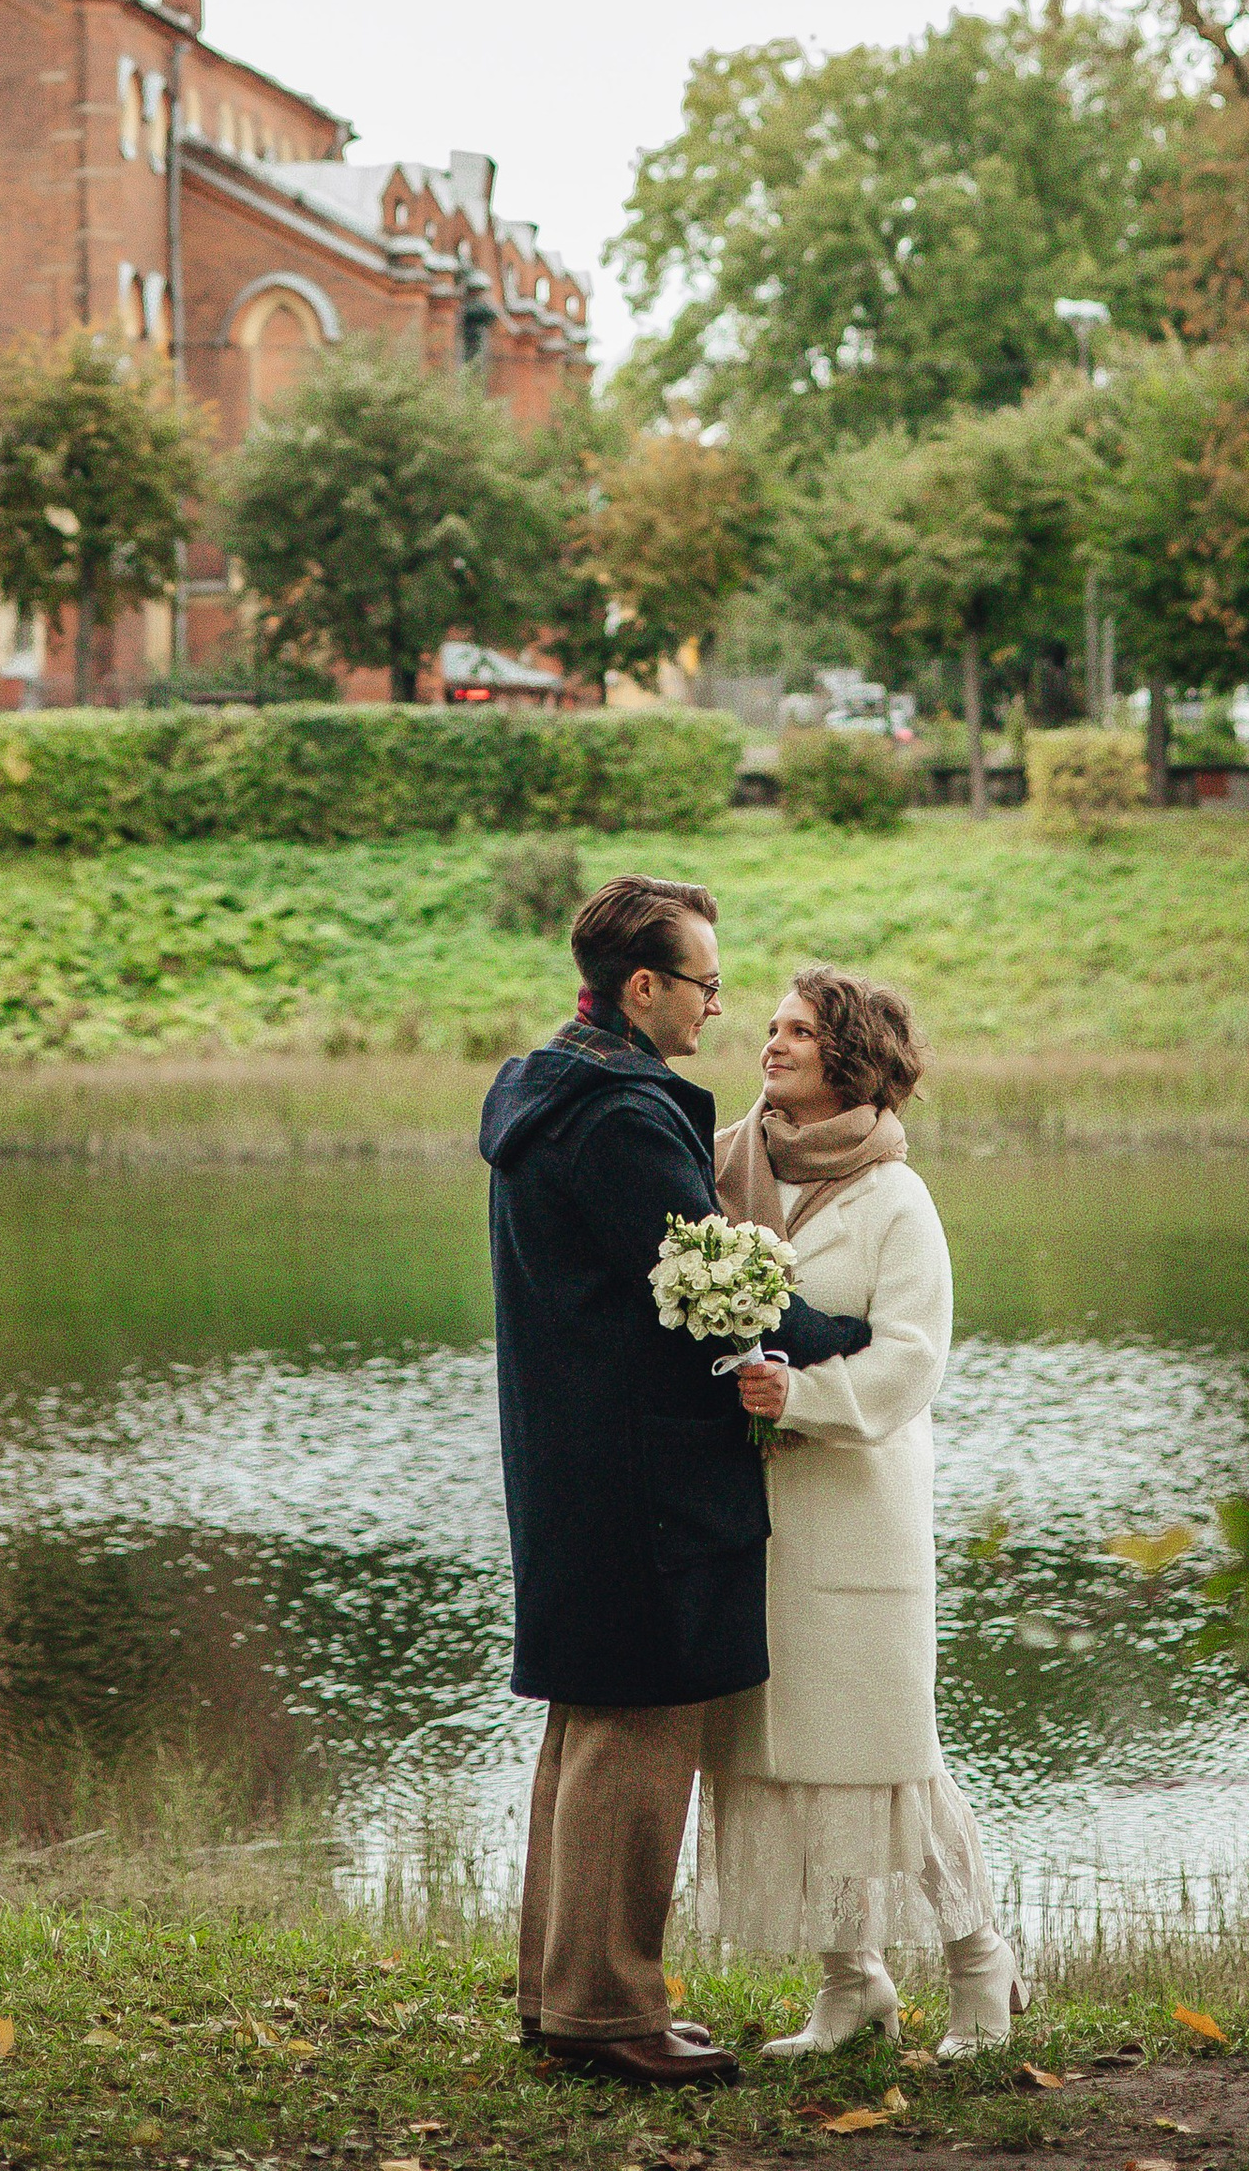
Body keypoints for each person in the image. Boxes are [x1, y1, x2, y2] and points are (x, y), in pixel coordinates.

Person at [479, 873, 875, 2092]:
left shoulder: (543, 1085)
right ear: (641, 986)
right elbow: (707, 1279)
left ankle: (565, 1998)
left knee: (588, 1729)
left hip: (575, 1456)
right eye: (703, 983)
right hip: (646, 1468)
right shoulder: (624, 1115)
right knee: (640, 1736)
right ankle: (610, 2011)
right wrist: (836, 1335)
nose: (718, 1007)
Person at [701, 968, 1023, 2059]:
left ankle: (981, 1968)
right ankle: (853, 1985)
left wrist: (804, 1394)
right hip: (749, 1514)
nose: (770, 1045)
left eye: (797, 1031)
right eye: (770, 1027)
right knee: (780, 1750)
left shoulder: (897, 1198)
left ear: (850, 1056)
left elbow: (914, 1362)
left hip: (856, 1514)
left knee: (885, 1753)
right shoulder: (722, 1168)